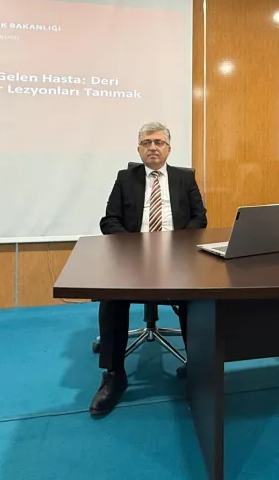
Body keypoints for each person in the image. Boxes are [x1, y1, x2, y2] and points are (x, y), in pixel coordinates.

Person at [90, 122, 208, 417]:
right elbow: (109, 221)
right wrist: (135, 248)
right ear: (138, 149)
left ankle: (197, 367)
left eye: (158, 142)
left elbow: (200, 219)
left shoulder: (185, 178)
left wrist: (176, 246)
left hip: (176, 257)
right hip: (133, 258)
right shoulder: (125, 178)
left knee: (198, 299)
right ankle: (114, 374)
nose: (152, 147)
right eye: (146, 142)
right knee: (111, 299)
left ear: (169, 148)